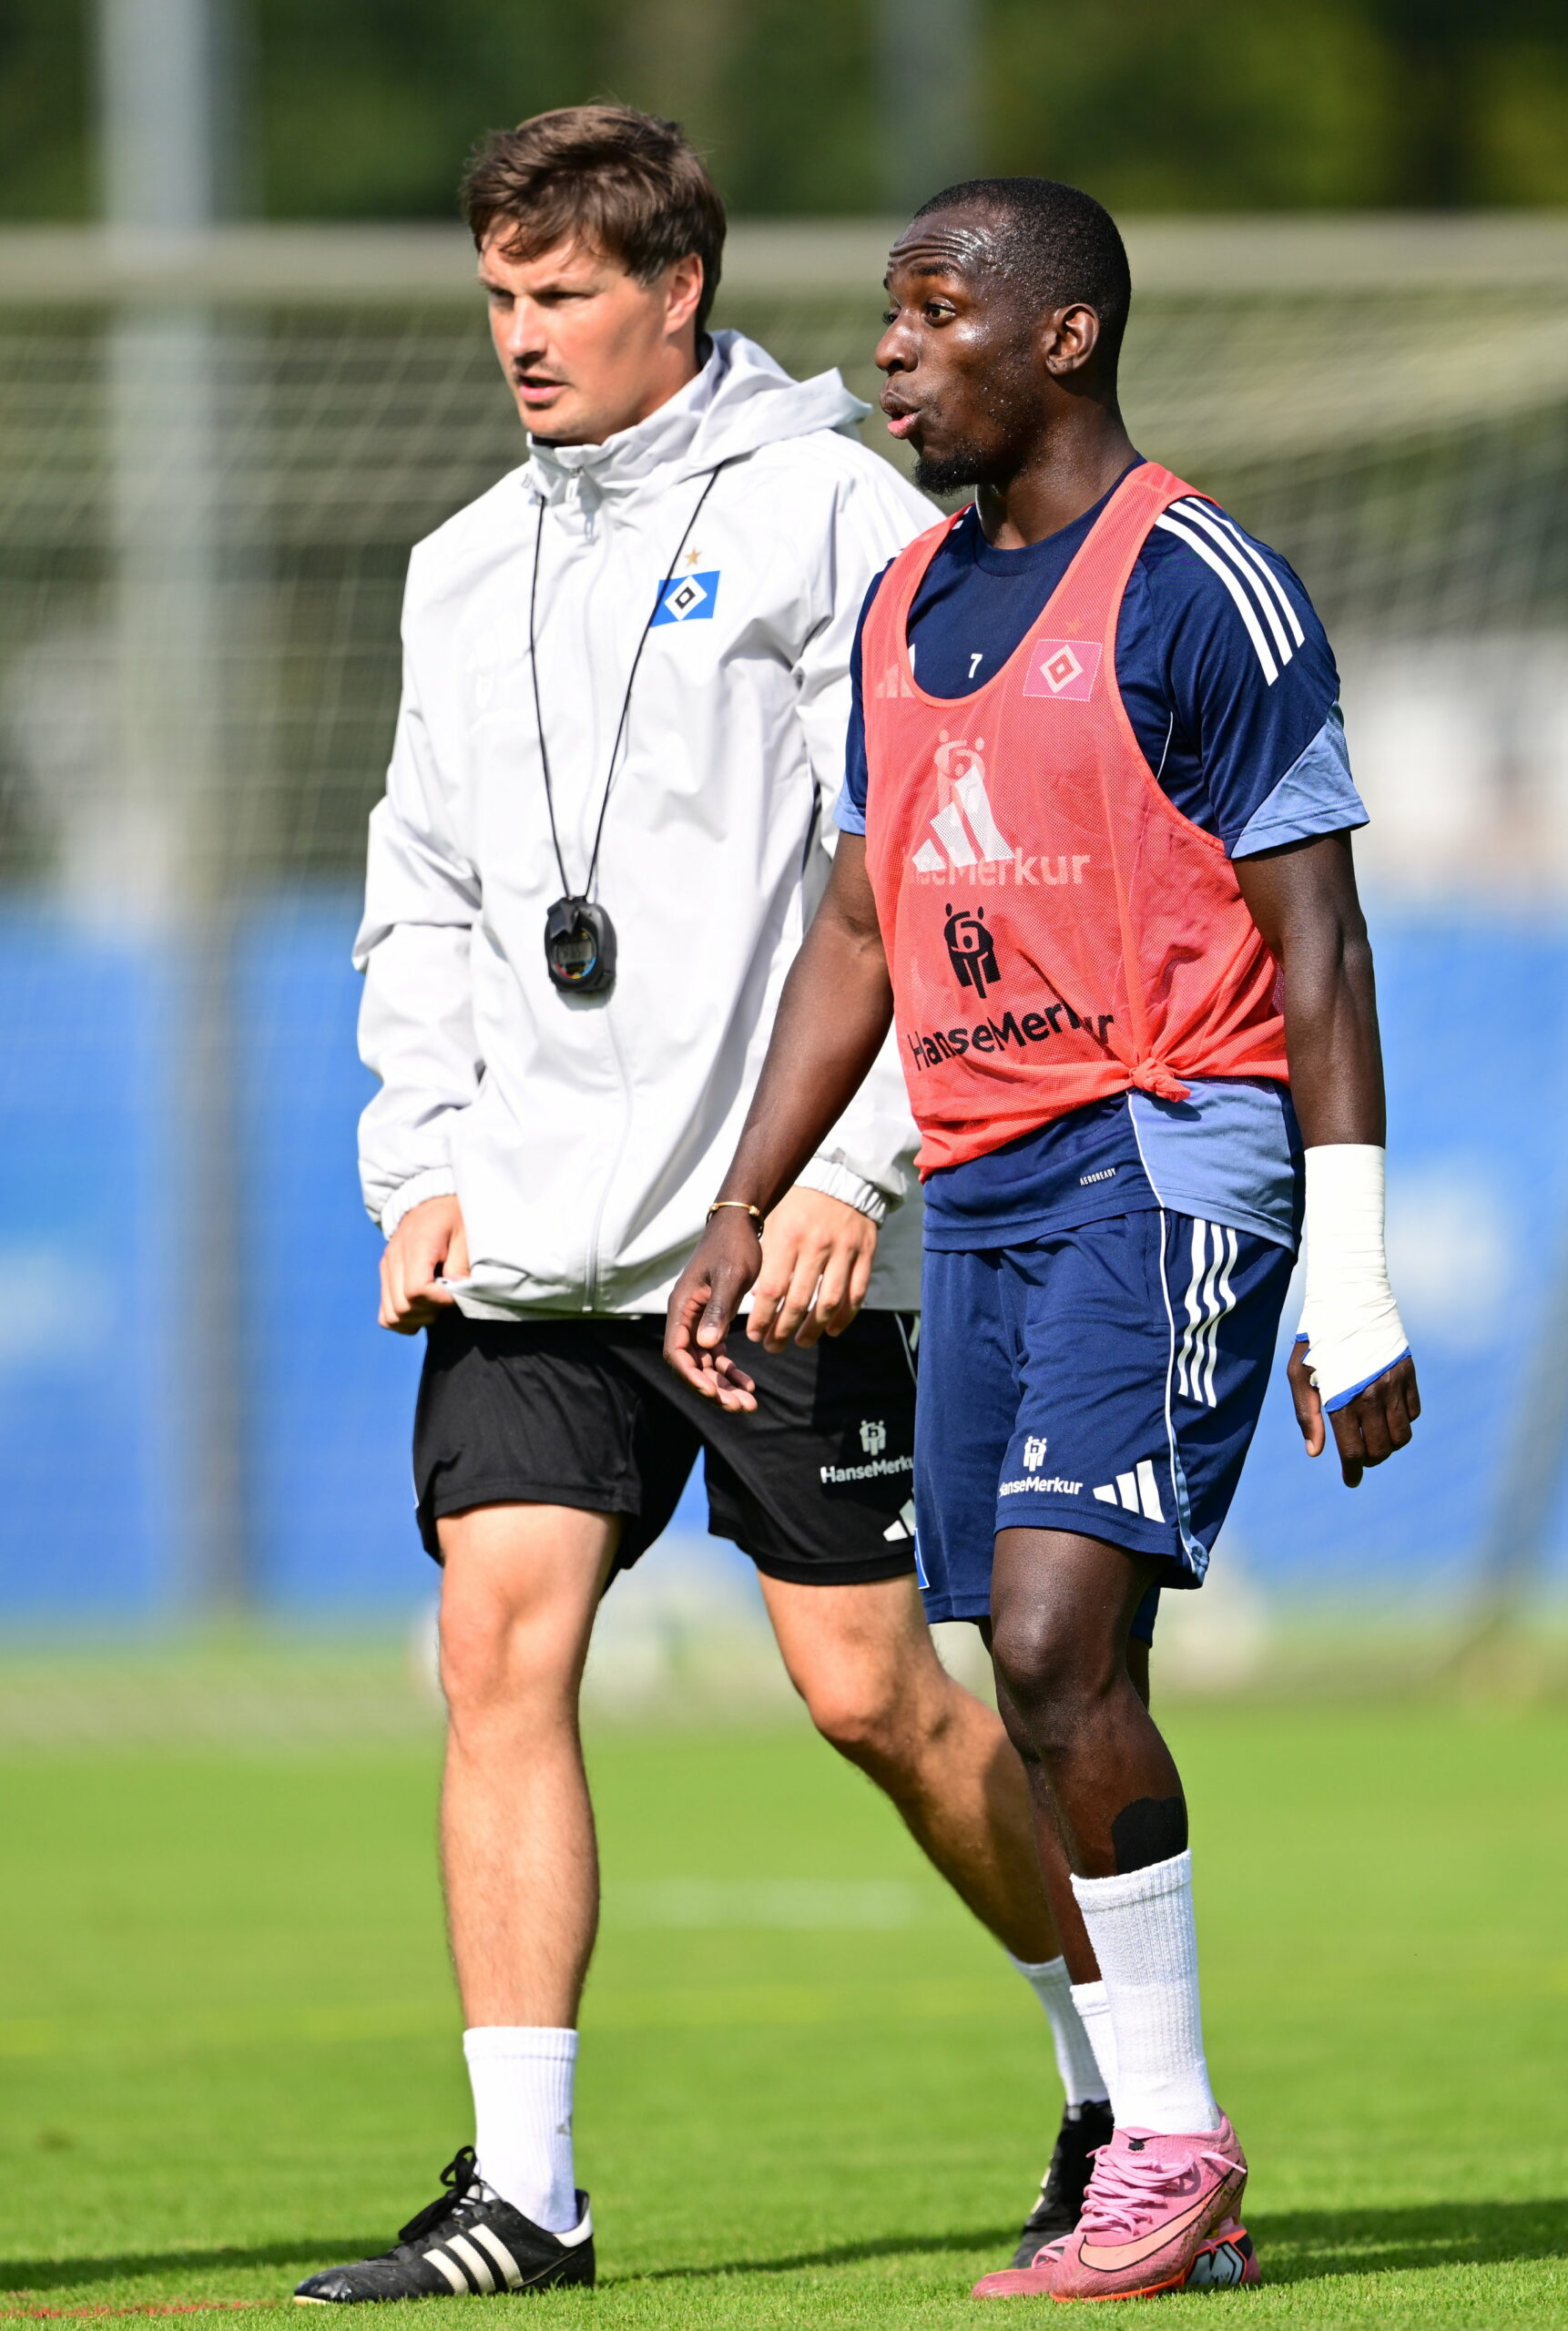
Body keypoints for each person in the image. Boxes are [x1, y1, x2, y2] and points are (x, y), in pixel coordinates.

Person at [297, 117, 1130, 2307]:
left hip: (762, 1234)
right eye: (497, 298)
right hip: (532, 1239)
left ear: (675, 290)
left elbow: (927, 867)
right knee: (500, 1647)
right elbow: (427, 894)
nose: (520, 340)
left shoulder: (837, 512)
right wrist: (423, 1164)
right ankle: (526, 2188)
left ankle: (1121, 2090)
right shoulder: (457, 561)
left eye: (560, 296)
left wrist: (853, 1175)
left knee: (872, 1696)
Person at [666, 176, 1421, 2304]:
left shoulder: (1199, 585)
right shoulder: (903, 607)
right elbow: (853, 928)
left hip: (1164, 1153)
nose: (891, 351)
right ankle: (1171, 2163)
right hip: (983, 1184)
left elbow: (1320, 945)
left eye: (932, 313)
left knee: (1046, 1645)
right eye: (888, 316)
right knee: (1034, 1682)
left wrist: (1343, 1265)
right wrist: (749, 1195)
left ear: (1060, 335)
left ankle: (1162, 2146)